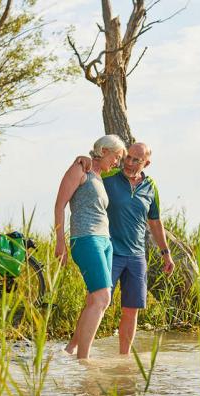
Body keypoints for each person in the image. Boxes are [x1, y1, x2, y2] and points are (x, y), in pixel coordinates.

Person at [75, 142, 175, 355]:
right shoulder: (110, 177)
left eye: (135, 160)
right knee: (96, 301)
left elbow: (155, 222)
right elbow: (94, 167)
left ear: (146, 163)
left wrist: (166, 253)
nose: (128, 162)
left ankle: (124, 359)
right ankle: (74, 349)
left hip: (137, 256)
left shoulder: (151, 187)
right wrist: (82, 158)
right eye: (127, 157)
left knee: (131, 310)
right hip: (110, 249)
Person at [54, 135, 125, 359]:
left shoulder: (99, 176)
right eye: (116, 157)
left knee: (94, 300)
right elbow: (59, 205)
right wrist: (60, 242)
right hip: (86, 239)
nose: (118, 163)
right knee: (103, 298)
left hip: (105, 241)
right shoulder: (79, 170)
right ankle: (84, 360)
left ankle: (70, 350)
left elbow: (128, 173)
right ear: (104, 151)